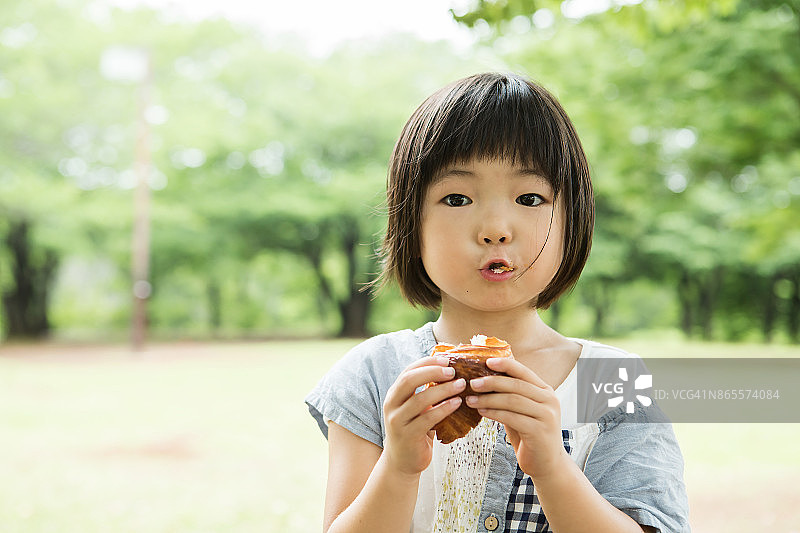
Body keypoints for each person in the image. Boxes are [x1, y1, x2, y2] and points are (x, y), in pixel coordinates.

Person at [306, 72, 689, 533]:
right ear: (412, 223)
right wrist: (400, 466)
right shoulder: (373, 374)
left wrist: (551, 466)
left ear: (573, 221)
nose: (495, 227)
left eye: (529, 197)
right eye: (457, 197)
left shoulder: (615, 383)